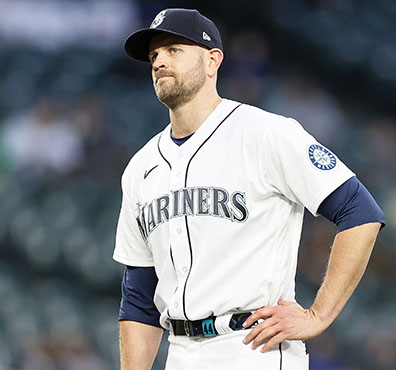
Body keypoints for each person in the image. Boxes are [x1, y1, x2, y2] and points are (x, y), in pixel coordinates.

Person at [113, 8, 384, 370]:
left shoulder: (266, 134)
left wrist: (318, 315)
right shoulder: (140, 168)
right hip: (179, 353)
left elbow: (359, 211)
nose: (160, 61)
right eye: (154, 56)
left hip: (254, 348)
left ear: (213, 61)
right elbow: (140, 297)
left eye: (173, 49)